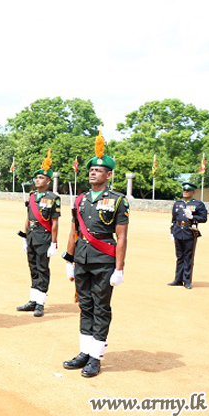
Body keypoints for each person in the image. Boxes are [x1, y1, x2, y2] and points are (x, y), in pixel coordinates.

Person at [62, 135, 129, 378]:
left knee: (101, 307)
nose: (92, 173)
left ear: (108, 175)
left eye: (98, 170)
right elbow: (74, 232)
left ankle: (96, 356)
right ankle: (84, 351)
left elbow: (121, 237)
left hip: (104, 262)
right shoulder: (79, 200)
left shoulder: (118, 200)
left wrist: (119, 269)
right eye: (91, 170)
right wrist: (69, 260)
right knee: (85, 305)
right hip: (82, 259)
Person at [17, 152, 61, 317]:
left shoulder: (53, 198)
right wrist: (24, 238)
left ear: (48, 181)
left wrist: (54, 243)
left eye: (41, 178)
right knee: (33, 268)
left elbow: (55, 222)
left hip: (44, 237)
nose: (37, 180)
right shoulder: (32, 196)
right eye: (36, 178)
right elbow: (28, 218)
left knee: (42, 269)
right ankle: (33, 300)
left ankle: (40, 302)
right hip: (31, 236)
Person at [168, 182, 208, 289]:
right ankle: (178, 279)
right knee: (179, 256)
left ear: (192, 192)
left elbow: (204, 218)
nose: (185, 192)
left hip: (189, 231)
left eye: (188, 191)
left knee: (188, 257)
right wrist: (172, 232)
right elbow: (174, 219)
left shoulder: (198, 204)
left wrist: (193, 218)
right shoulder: (177, 203)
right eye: (184, 190)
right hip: (178, 231)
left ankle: (187, 281)